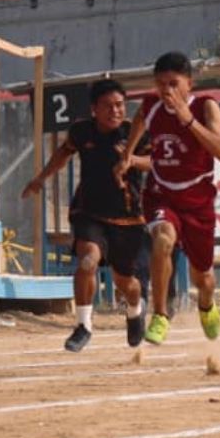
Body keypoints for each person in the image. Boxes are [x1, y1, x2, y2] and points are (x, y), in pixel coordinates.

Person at [24, 78, 154, 351]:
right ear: (94, 108)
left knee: (126, 284)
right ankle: (83, 326)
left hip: (128, 219)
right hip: (90, 212)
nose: (115, 111)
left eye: (119, 105)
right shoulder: (82, 132)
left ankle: (135, 309)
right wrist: (40, 178)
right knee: (87, 261)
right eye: (107, 106)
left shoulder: (135, 133)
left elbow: (153, 164)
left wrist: (132, 160)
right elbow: (63, 152)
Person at [120, 52, 220, 346]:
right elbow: (139, 121)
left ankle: (206, 306)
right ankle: (160, 314)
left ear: (188, 84)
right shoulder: (151, 105)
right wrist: (129, 154)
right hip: (162, 193)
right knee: (163, 240)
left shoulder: (205, 107)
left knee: (203, 278)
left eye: (173, 83)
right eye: (160, 84)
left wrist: (188, 120)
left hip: (197, 199)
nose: (166, 90)